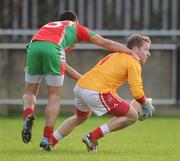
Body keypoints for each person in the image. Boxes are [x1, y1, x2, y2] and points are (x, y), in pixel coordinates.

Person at [21, 10, 138, 151]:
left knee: (30, 92)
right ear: (76, 21)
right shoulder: (76, 28)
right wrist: (130, 52)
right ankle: (47, 138)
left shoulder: (49, 26)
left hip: (33, 47)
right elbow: (105, 43)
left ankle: (28, 114)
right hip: (53, 49)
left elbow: (61, 64)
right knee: (54, 96)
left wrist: (82, 78)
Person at [50, 34, 155, 152]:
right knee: (132, 116)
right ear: (135, 49)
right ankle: (93, 136)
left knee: (79, 118)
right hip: (96, 91)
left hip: (81, 86)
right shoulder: (134, 61)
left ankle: (50, 141)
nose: (148, 53)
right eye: (146, 49)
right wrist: (145, 104)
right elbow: (137, 93)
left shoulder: (115, 55)